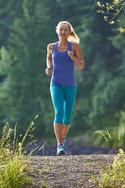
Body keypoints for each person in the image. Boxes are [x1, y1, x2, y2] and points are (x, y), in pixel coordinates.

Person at [45, 21, 84, 155]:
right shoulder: (51, 46)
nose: (63, 32)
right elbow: (49, 58)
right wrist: (49, 67)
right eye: (61, 30)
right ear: (57, 31)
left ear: (69, 32)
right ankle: (59, 144)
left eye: (66, 30)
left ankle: (63, 136)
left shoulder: (74, 46)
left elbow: (82, 65)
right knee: (59, 111)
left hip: (70, 85)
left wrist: (73, 57)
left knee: (67, 117)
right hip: (56, 83)